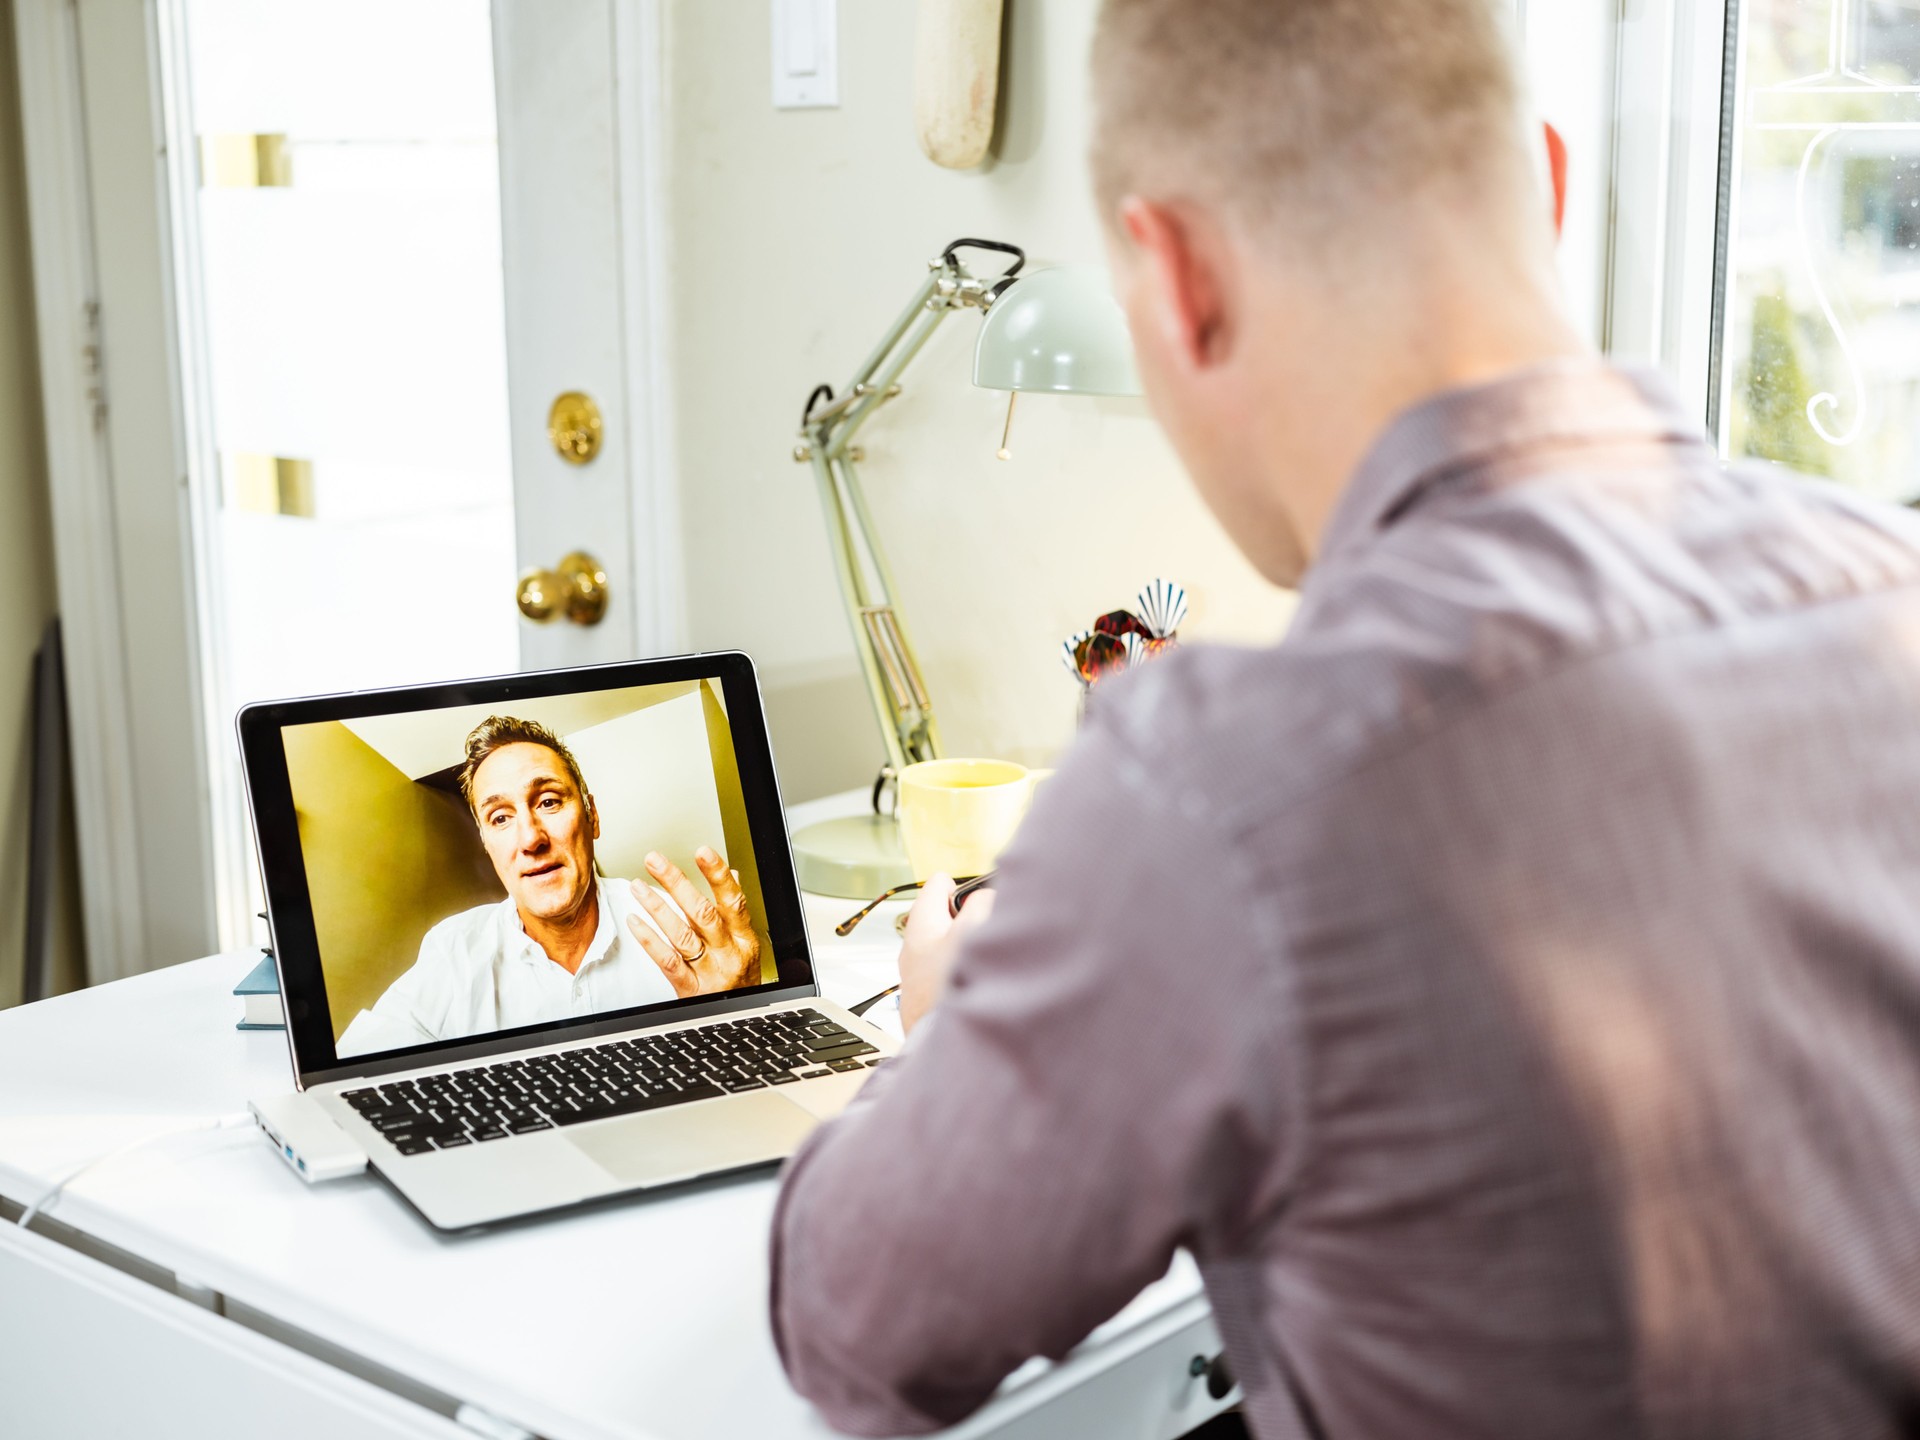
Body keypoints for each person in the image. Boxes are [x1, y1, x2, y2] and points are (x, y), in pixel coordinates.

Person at [768, 1, 1920, 1436]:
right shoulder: (1888, 594)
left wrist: (947, 1040)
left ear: (1176, 282)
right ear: (1550, 190)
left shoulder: (1220, 790)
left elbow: (857, 1328)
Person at [336, 715, 761, 1055]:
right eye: (500, 818)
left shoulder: (684, 935)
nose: (530, 839)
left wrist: (741, 1019)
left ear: (592, 816)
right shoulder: (454, 949)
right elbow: (357, 1074)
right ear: (487, 844)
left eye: (549, 801)